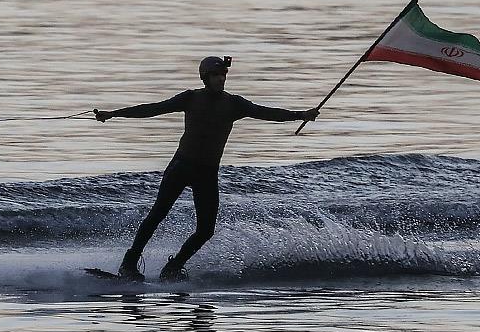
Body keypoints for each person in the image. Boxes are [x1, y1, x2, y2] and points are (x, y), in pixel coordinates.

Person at [94, 56, 319, 281]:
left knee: (206, 230)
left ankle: (173, 267)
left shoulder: (234, 104)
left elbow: (267, 112)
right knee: (157, 215)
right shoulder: (190, 98)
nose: (221, 79)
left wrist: (300, 115)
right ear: (205, 77)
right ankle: (129, 264)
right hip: (181, 166)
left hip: (207, 173)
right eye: (216, 75)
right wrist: (114, 113)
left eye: (223, 75)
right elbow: (153, 109)